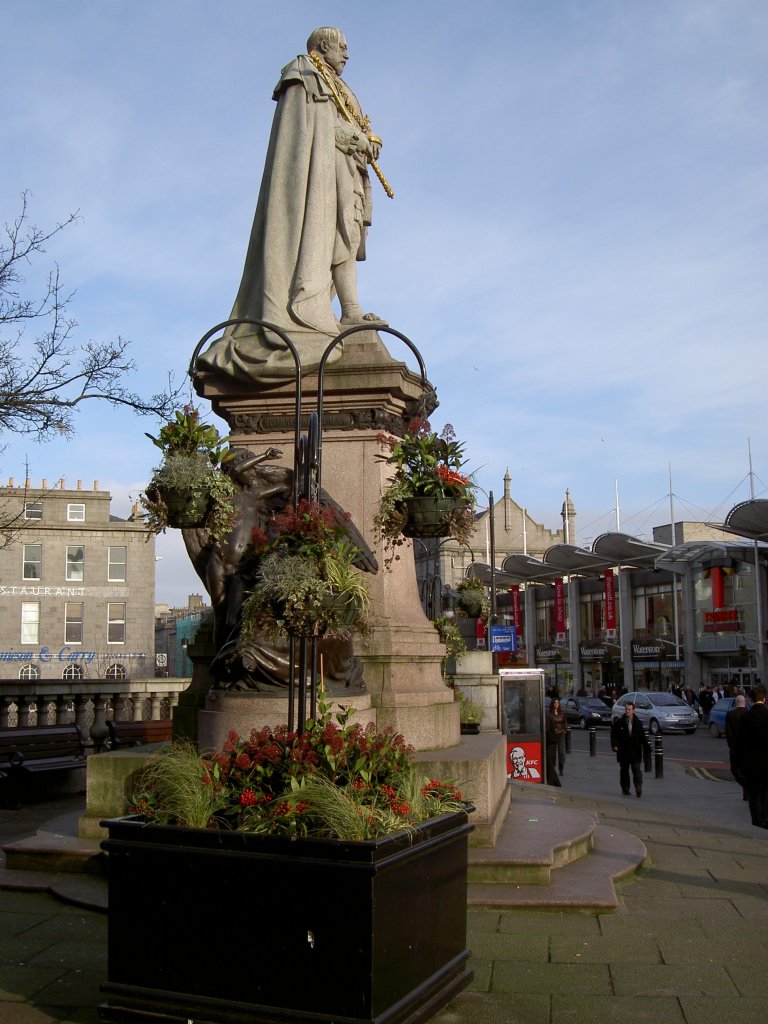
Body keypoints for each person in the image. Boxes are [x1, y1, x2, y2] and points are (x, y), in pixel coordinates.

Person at [197, 27, 387, 384]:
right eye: (342, 47)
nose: (347, 54)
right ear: (322, 46)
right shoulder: (303, 73)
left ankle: (350, 311)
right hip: (317, 177)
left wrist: (368, 141)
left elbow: (353, 124)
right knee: (326, 233)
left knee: (345, 234)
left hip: (345, 171)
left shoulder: (342, 87)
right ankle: (319, 312)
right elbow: (311, 128)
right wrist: (354, 137)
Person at [735, 685, 768, 828]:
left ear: (750, 700)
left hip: (751, 765)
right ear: (764, 699)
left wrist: (738, 766)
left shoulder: (745, 718)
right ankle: (766, 819)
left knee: (754, 794)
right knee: (766, 793)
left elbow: (739, 744)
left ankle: (757, 822)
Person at [610, 701, 651, 798]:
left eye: (629, 709)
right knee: (624, 771)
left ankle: (638, 786)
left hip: (635, 751)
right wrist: (615, 745)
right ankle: (625, 789)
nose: (627, 711)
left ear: (633, 710)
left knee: (636, 770)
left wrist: (647, 748)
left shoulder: (638, 723)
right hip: (623, 751)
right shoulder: (619, 723)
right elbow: (614, 735)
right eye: (626, 709)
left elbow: (642, 737)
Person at [725, 694, 748, 801]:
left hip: (735, 748)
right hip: (748, 748)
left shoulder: (731, 714)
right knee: (747, 771)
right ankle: (747, 792)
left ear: (736, 703)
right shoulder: (749, 713)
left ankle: (746, 789)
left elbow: (728, 733)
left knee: (735, 770)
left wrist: (732, 747)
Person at [548, 697, 568, 776]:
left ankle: (561, 768)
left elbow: (565, 722)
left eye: (557, 703)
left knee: (561, 751)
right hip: (553, 734)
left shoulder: (562, 713)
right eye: (555, 703)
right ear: (552, 704)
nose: (556, 704)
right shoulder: (549, 713)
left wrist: (564, 729)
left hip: (561, 733)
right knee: (552, 752)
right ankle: (552, 767)